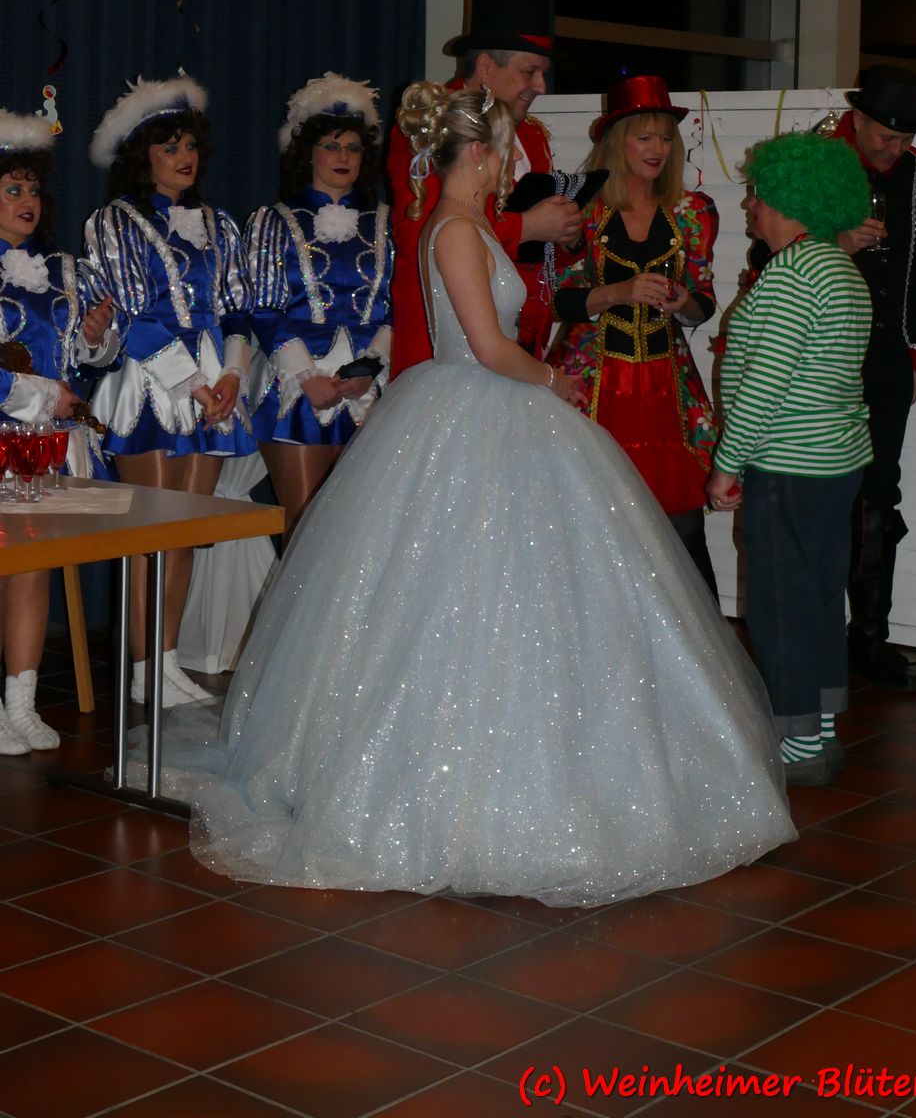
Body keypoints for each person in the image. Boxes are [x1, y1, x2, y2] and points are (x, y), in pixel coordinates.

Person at [169, 81, 794, 903]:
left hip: (485, 408)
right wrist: (555, 381)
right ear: (478, 154)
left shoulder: (463, 225)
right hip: (479, 402)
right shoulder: (457, 230)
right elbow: (489, 346)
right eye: (502, 152)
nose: (508, 166)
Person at [83, 74, 256, 708]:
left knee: (185, 533)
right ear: (143, 156)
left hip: (213, 382)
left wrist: (231, 375)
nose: (185, 157)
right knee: (149, 533)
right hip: (152, 381)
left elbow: (237, 308)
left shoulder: (220, 224)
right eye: (169, 146)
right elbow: (130, 313)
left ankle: (166, 661)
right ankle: (142, 669)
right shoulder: (114, 221)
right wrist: (195, 384)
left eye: (190, 146)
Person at [707, 132, 873, 786]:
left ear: (788, 199)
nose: (750, 205)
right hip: (833, 465)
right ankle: (819, 729)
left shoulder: (792, 276)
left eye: (758, 194)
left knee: (780, 606)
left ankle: (795, 746)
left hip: (788, 466)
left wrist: (727, 463)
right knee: (818, 597)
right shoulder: (837, 268)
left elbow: (764, 384)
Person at [548, 75, 720, 596]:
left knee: (683, 528)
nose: (658, 148)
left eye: (665, 137)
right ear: (615, 142)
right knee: (590, 527)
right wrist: (616, 292)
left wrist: (682, 302)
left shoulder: (692, 212)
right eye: (644, 137)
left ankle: (700, 642)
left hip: (666, 391)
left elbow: (703, 302)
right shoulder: (580, 211)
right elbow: (557, 299)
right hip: (593, 390)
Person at [386, 0, 581, 374]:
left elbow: (534, 249)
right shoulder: (431, 129)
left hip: (522, 337)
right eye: (530, 72)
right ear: (487, 67)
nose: (541, 86)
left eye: (543, 73)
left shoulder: (532, 136)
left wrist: (566, 233)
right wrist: (528, 226)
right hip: (447, 351)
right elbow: (423, 231)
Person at [0, 103, 116, 753]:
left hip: (43, 447)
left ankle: (21, 702)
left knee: (33, 567)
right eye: (12, 189)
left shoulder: (63, 271)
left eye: (33, 189)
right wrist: (44, 395)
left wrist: (96, 340)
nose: (27, 201)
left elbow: (87, 362)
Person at [246, 73, 393, 542]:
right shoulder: (273, 220)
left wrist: (371, 367)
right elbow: (262, 307)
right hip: (297, 389)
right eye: (332, 146)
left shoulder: (386, 222)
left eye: (353, 148)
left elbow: (401, 306)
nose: (343, 157)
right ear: (308, 152)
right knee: (304, 534)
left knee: (362, 535)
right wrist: (307, 377)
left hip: (371, 391)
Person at [830, 67, 916, 688]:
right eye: (885, 136)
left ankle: (870, 634)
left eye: (904, 139)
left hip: (888, 358)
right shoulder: (819, 163)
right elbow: (772, 256)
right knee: (822, 490)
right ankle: (819, 628)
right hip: (824, 353)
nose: (894, 148)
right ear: (858, 120)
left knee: (879, 491)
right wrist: (838, 243)